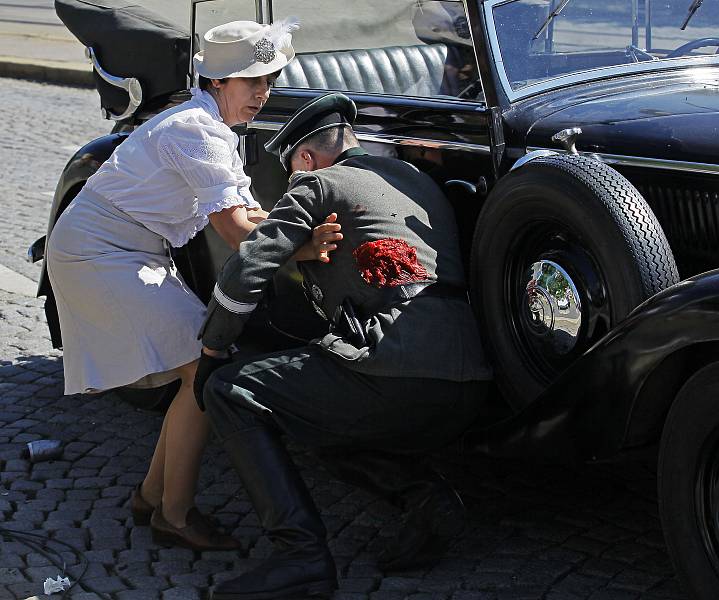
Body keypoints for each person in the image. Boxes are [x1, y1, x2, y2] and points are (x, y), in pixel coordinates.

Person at [45, 18, 340, 551]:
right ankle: (173, 515)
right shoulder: (195, 130)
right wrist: (304, 246)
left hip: (129, 250)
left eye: (268, 81)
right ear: (218, 82)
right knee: (204, 369)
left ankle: (152, 497)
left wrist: (297, 229)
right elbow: (234, 231)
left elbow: (250, 212)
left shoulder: (212, 128)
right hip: (97, 253)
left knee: (199, 369)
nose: (262, 94)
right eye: (252, 82)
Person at [194, 92, 492, 599]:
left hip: (392, 373)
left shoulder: (320, 183)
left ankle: (301, 558)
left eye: (292, 171)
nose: (294, 181)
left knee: (230, 391)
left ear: (306, 159)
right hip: (470, 383)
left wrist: (213, 351)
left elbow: (247, 267)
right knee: (319, 410)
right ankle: (426, 499)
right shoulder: (415, 180)